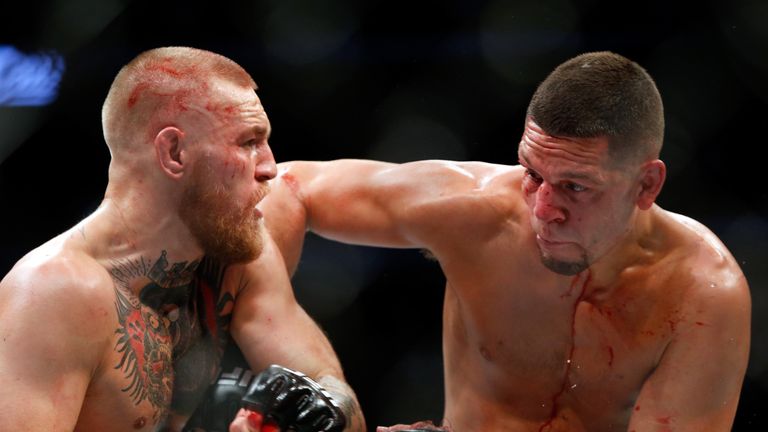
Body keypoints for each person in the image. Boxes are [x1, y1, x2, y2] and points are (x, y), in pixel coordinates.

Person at [259, 51, 751, 431]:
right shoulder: (476, 211)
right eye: (533, 174)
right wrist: (276, 333)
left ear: (646, 186)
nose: (542, 209)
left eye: (575, 187)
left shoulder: (701, 293)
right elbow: (287, 186)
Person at [0, 46, 365, 432]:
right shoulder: (53, 294)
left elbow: (335, 393)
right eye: (248, 143)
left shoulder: (236, 254)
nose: (270, 167)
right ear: (174, 152)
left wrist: (324, 406)